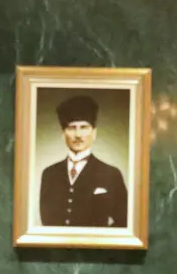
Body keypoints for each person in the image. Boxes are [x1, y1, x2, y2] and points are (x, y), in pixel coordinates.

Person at [38, 94, 129, 228]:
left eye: (84, 127)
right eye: (71, 128)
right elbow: (46, 222)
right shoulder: (49, 174)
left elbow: (124, 221)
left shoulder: (111, 174)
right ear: (63, 135)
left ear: (94, 133)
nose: (78, 135)